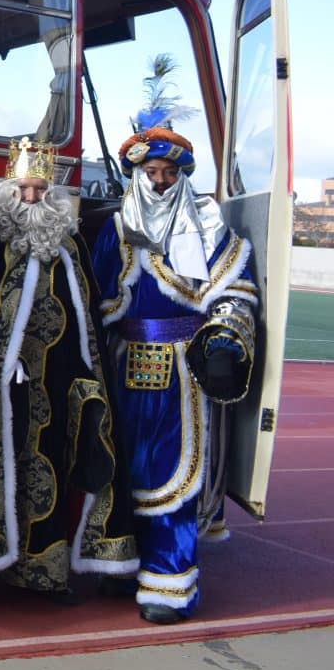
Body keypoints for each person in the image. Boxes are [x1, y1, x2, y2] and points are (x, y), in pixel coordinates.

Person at [0, 138, 138, 605]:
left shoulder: (69, 248)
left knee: (46, 471)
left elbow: (85, 318)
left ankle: (42, 574)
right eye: (23, 190)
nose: (31, 199)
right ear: (7, 189)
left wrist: (84, 379)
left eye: (40, 191)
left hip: (52, 384)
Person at [91, 121, 259, 624]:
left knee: (174, 473)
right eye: (151, 171)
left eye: (168, 172)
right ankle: (124, 563)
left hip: (185, 370)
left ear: (181, 175)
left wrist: (226, 341)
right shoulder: (117, 228)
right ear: (137, 174)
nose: (159, 181)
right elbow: (94, 299)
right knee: (124, 468)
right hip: (126, 368)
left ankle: (169, 580)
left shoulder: (208, 227)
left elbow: (236, 293)